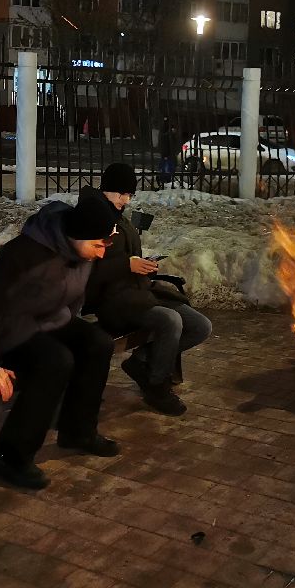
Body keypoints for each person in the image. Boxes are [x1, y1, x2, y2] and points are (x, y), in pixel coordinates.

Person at [0, 192, 121, 490]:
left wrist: (69, 323)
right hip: (6, 333)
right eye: (98, 245)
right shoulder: (24, 255)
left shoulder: (80, 252)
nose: (101, 253)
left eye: (106, 244)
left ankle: (78, 431)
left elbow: (74, 297)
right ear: (77, 234)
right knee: (56, 361)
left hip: (47, 322)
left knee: (98, 343)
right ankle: (12, 455)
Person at [84, 163, 212, 417]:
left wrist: (144, 267)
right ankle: (156, 386)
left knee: (200, 325)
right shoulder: (92, 217)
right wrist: (127, 266)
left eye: (129, 194)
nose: (126, 199)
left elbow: (128, 259)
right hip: (113, 301)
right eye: (121, 193)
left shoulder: (121, 219)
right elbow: (86, 271)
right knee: (170, 320)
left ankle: (142, 361)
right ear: (107, 189)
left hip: (138, 294)